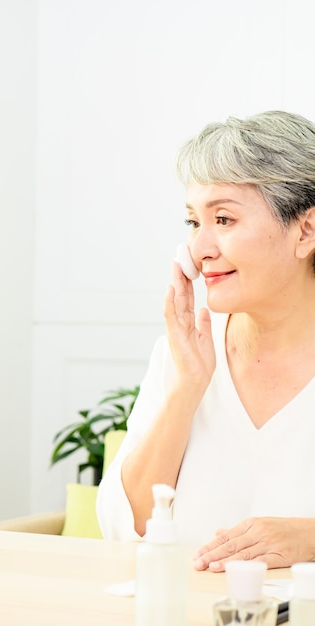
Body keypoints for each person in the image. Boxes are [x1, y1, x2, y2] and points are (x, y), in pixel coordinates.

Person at [96, 110, 315, 572]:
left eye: (223, 219)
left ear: (306, 231)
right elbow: (121, 526)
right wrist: (187, 388)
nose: (201, 248)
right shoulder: (184, 354)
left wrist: (309, 537)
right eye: (194, 222)